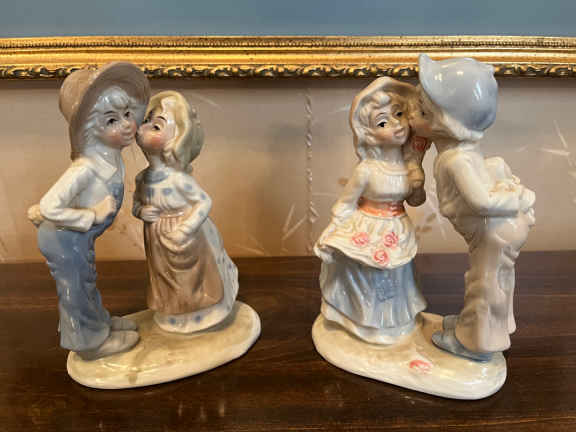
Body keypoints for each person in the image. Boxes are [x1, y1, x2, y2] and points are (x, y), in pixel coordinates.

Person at [410, 54, 535, 361]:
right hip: (494, 231)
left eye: (422, 111)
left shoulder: (456, 160)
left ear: (445, 124)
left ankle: (475, 344)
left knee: (484, 284)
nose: (412, 114)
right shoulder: (462, 149)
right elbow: (494, 165)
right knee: (495, 279)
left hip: (494, 231)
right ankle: (480, 328)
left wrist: (519, 197)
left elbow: (483, 202)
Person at [27, 63, 150, 360]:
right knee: (75, 289)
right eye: (112, 120)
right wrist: (92, 214)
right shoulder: (85, 167)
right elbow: (49, 205)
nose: (127, 125)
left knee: (87, 280)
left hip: (79, 238)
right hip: (63, 238)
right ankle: (89, 343)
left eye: (127, 114)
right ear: (90, 128)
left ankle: (99, 324)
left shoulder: (111, 157)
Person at [314, 77, 427, 344]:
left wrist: (418, 185)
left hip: (398, 230)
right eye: (383, 123)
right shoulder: (366, 170)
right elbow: (345, 203)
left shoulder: (409, 166)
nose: (397, 125)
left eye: (399, 114)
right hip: (369, 228)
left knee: (397, 278)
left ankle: (395, 323)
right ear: (370, 134)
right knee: (372, 279)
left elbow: (416, 201)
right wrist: (331, 232)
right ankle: (367, 324)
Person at [133, 91, 238, 334]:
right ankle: (173, 314)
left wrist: (186, 228)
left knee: (190, 280)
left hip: (185, 240)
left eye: (156, 126)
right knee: (164, 278)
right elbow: (136, 204)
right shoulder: (142, 178)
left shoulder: (178, 180)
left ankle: (200, 315)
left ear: (175, 140)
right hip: (157, 239)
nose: (143, 127)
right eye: (146, 121)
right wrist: (141, 211)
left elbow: (204, 202)